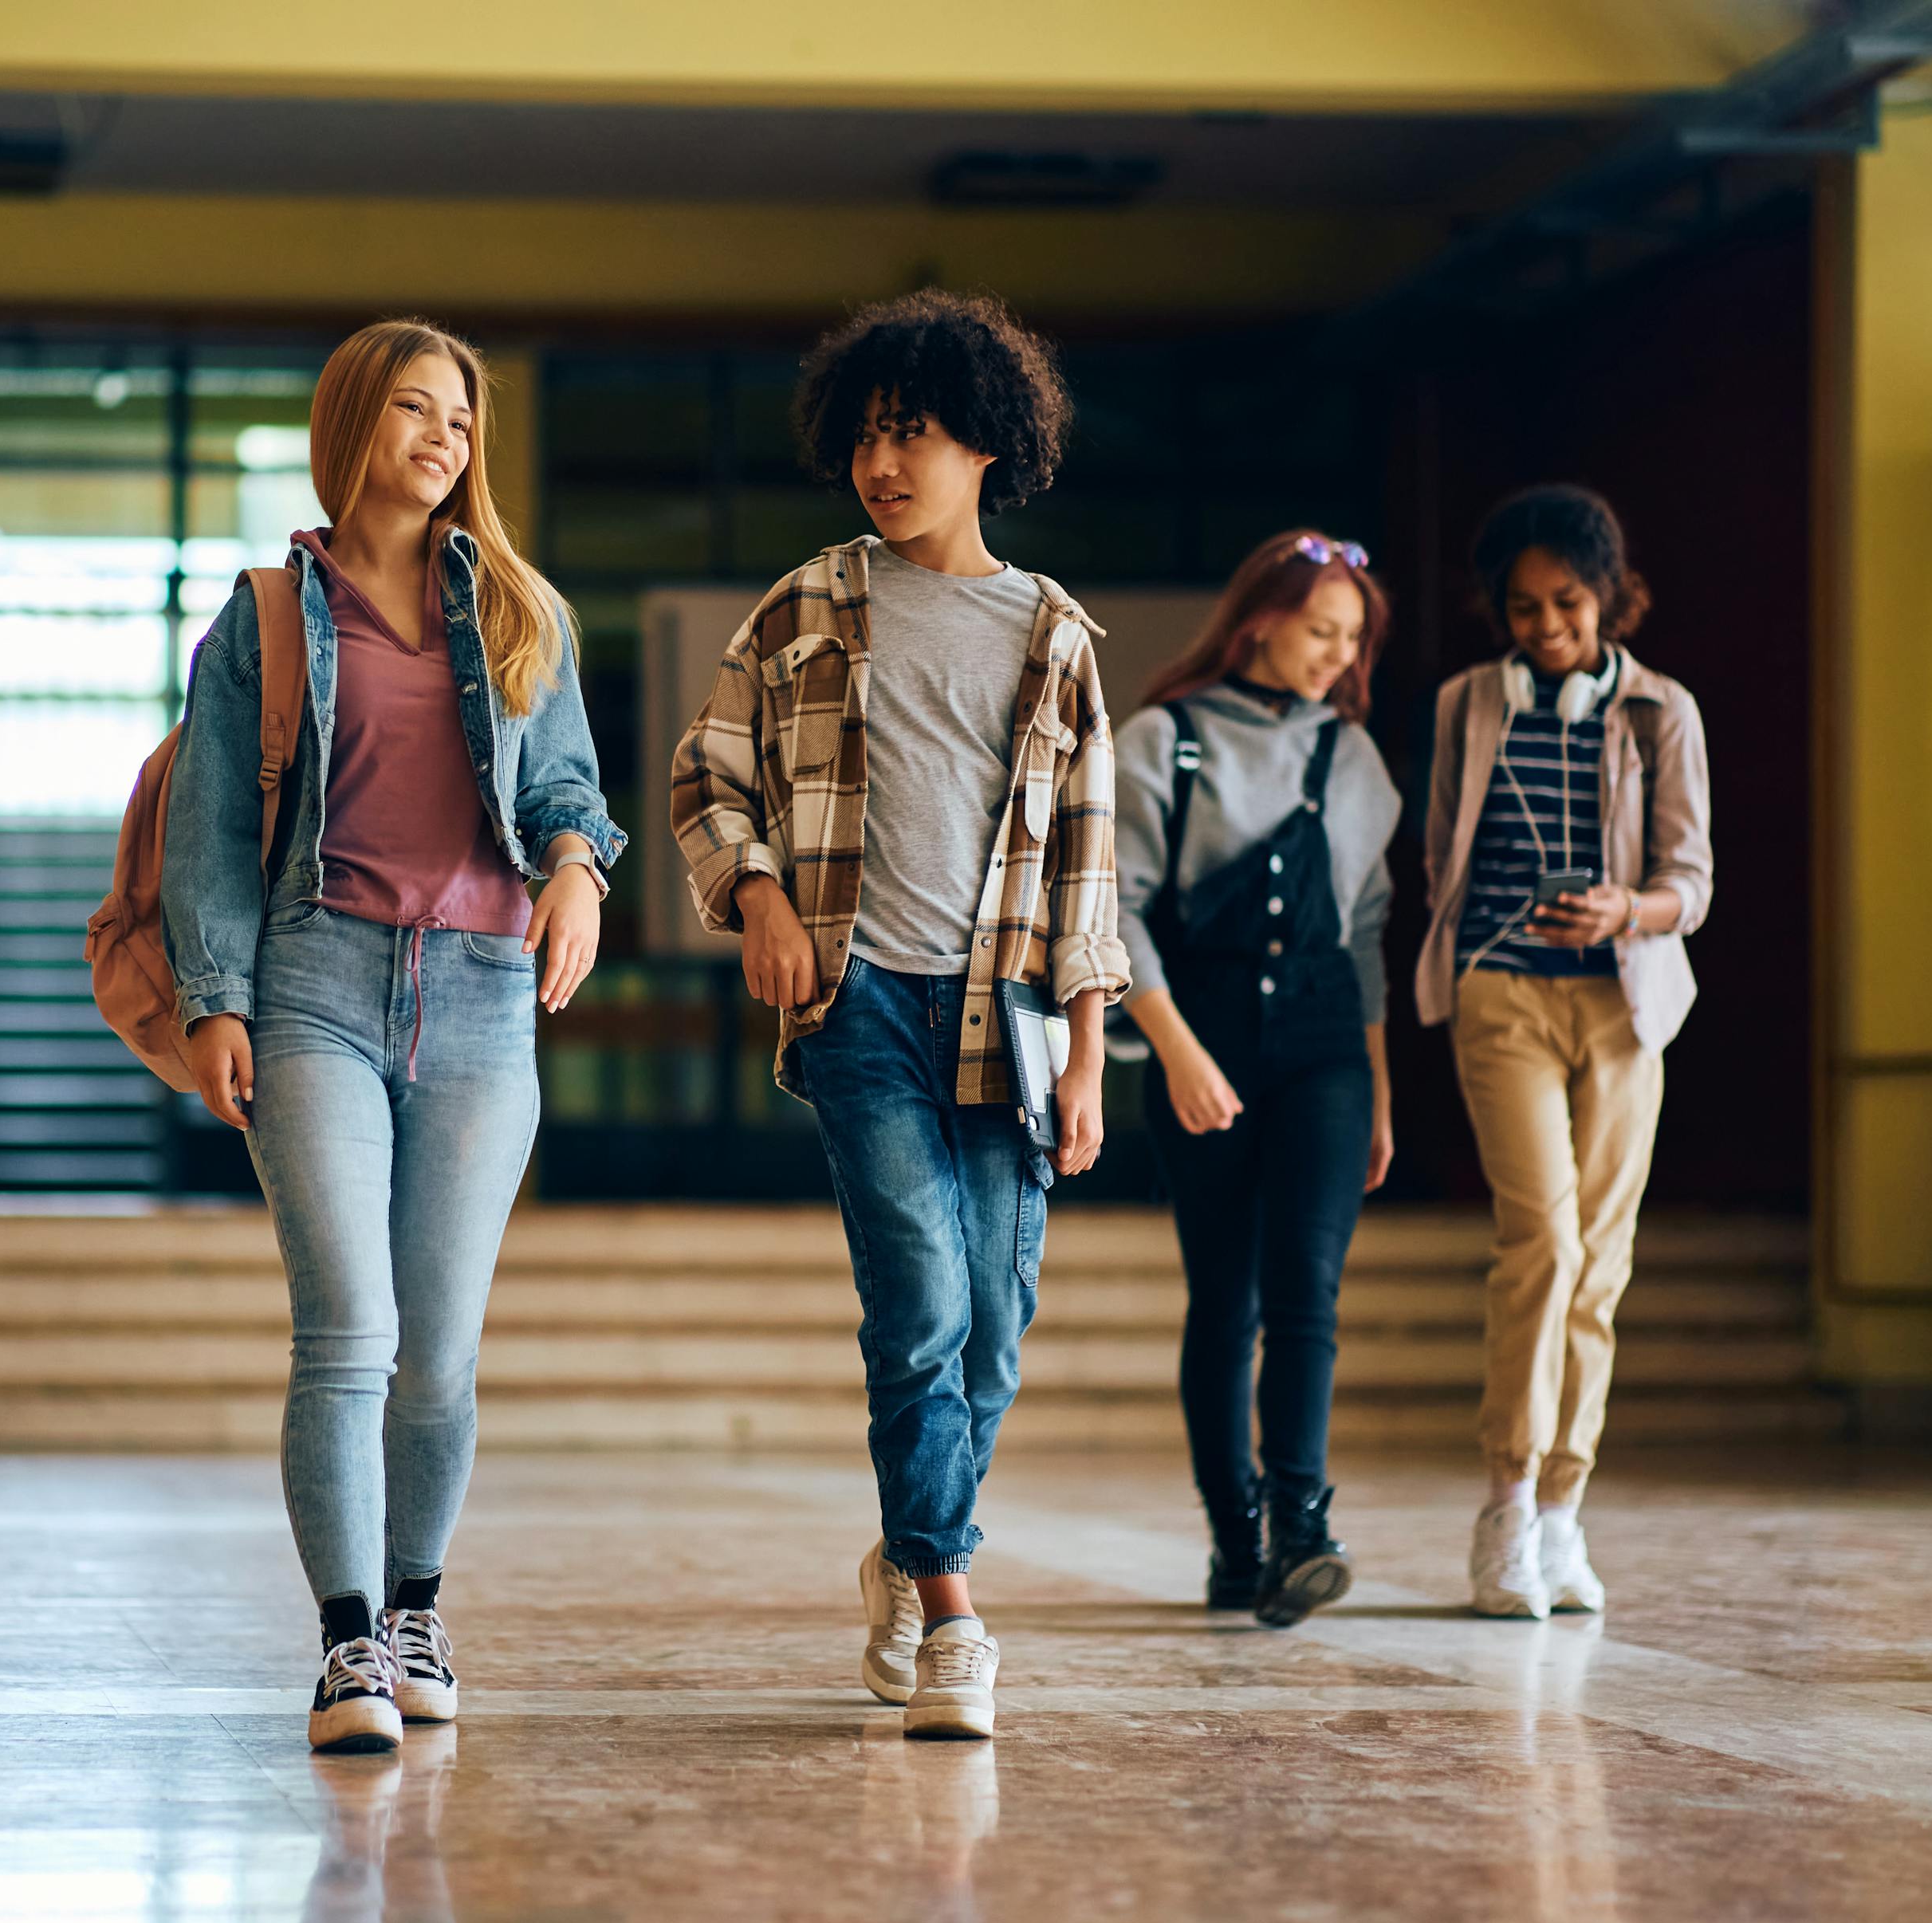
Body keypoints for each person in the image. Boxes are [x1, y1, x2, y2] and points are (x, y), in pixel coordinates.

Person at [671, 289, 1129, 1741]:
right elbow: (707, 774)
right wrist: (753, 899)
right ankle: (950, 1611)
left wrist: (1092, 1056)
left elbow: (1085, 864)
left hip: (1010, 1017)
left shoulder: (1054, 634)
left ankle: (907, 1542)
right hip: (860, 1000)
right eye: (868, 435)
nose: (886, 462)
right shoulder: (807, 604)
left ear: (987, 445)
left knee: (994, 1331)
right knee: (922, 1304)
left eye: (915, 434)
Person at [162, 320, 621, 1755]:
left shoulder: (518, 612)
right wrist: (215, 995)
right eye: (415, 410)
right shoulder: (262, 618)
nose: (444, 438)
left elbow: (568, 792)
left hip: (483, 996)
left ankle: (419, 1607)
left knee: (441, 1351)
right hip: (315, 987)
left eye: (463, 420)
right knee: (347, 1329)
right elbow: (213, 833)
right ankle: (349, 1644)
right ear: (354, 422)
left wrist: (576, 872)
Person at [1418, 485, 1713, 1619]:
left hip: (1624, 1003)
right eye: (1525, 607)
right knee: (1539, 1238)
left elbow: (1693, 881)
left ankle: (1561, 1513)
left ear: (1609, 595)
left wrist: (1624, 910)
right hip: (1504, 995)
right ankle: (1503, 1508)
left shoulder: (1660, 712)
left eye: (1568, 604)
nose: (1547, 628)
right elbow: (1444, 849)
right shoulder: (1462, 705)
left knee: (1601, 1260)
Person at [1113, 533, 1401, 1627]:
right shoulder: (1164, 742)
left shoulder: (1354, 758)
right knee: (1224, 1297)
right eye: (1322, 630)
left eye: (1353, 639)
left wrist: (1377, 1083)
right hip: (1201, 1028)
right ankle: (1235, 1538)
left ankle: (1303, 1528)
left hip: (1324, 1041)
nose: (1338, 655)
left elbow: (1367, 926)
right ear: (1260, 620)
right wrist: (1177, 1050)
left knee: (1307, 1288)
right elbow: (1116, 907)